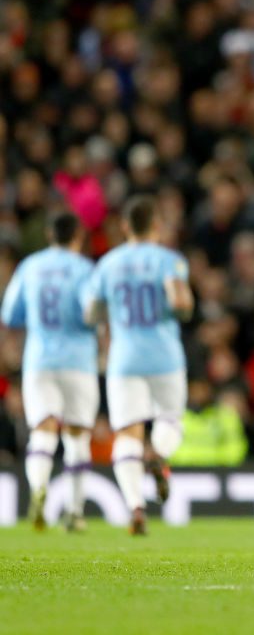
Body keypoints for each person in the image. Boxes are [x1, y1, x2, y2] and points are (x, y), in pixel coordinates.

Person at [82, 196, 194, 536]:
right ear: (156, 227)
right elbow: (181, 303)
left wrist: (109, 320)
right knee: (170, 419)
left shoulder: (108, 264)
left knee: (128, 433)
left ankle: (135, 507)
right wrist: (179, 307)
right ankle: (158, 455)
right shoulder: (169, 260)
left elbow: (91, 313)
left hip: (124, 358)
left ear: (126, 227)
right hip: (165, 356)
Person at [0, 212, 97, 532]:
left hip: (39, 360)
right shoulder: (84, 269)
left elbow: (11, 313)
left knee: (42, 431)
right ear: (78, 237)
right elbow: (91, 312)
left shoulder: (30, 267)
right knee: (76, 436)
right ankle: (75, 510)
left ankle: (39, 488)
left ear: (48, 234)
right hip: (78, 362)